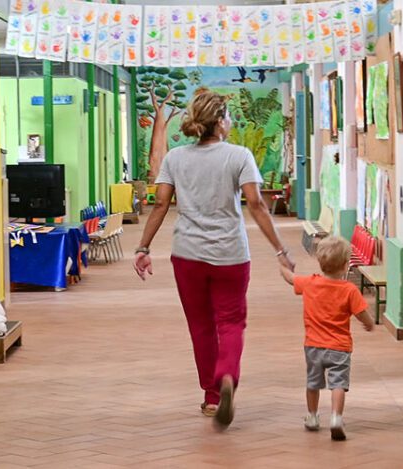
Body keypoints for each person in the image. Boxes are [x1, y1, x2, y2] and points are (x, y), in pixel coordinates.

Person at [133, 89, 295, 430]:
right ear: (220, 122)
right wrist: (281, 249)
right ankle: (227, 376)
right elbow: (256, 204)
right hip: (231, 255)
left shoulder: (175, 158)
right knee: (231, 322)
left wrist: (143, 248)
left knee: (201, 326)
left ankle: (211, 396)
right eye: (229, 117)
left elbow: (160, 204)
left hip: (188, 256)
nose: (232, 122)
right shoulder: (239, 156)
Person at [279, 236, 374, 441]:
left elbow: (289, 278)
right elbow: (363, 315)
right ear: (345, 264)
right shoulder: (349, 290)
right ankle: (336, 418)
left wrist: (282, 264)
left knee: (313, 383)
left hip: (313, 346)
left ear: (320, 263)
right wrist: (369, 324)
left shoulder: (310, 283)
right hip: (340, 347)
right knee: (338, 383)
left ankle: (312, 417)